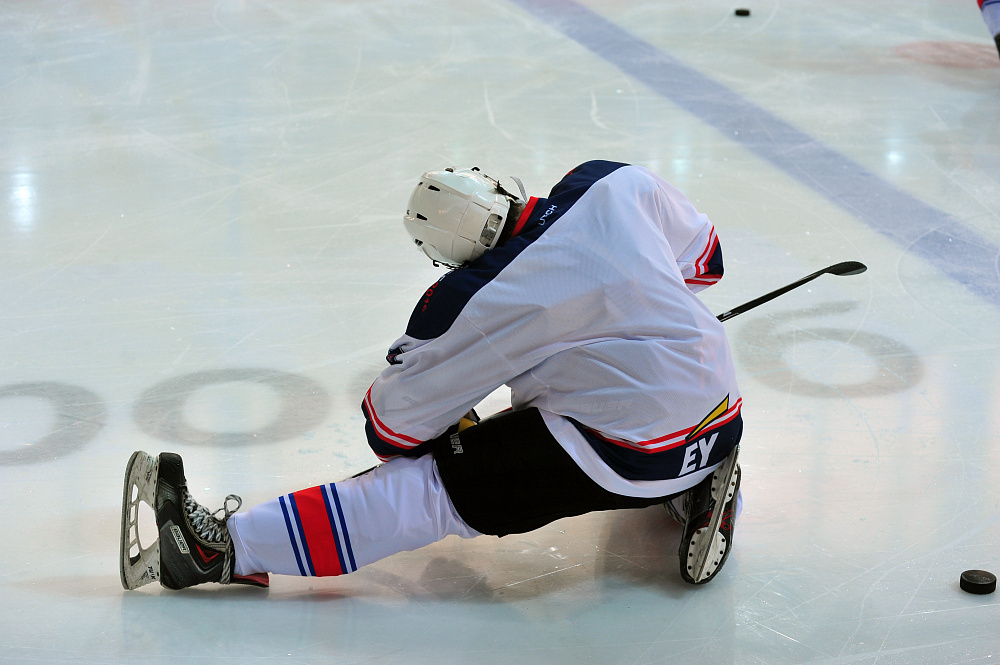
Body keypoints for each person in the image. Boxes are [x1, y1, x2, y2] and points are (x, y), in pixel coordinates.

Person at [119, 161, 744, 593]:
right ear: (496, 182)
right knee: (616, 404)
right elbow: (704, 261)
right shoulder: (613, 183)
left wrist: (454, 396)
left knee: (426, 491)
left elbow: (392, 430)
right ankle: (697, 478)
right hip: (722, 405)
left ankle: (219, 550)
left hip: (623, 454)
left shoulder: (474, 300)